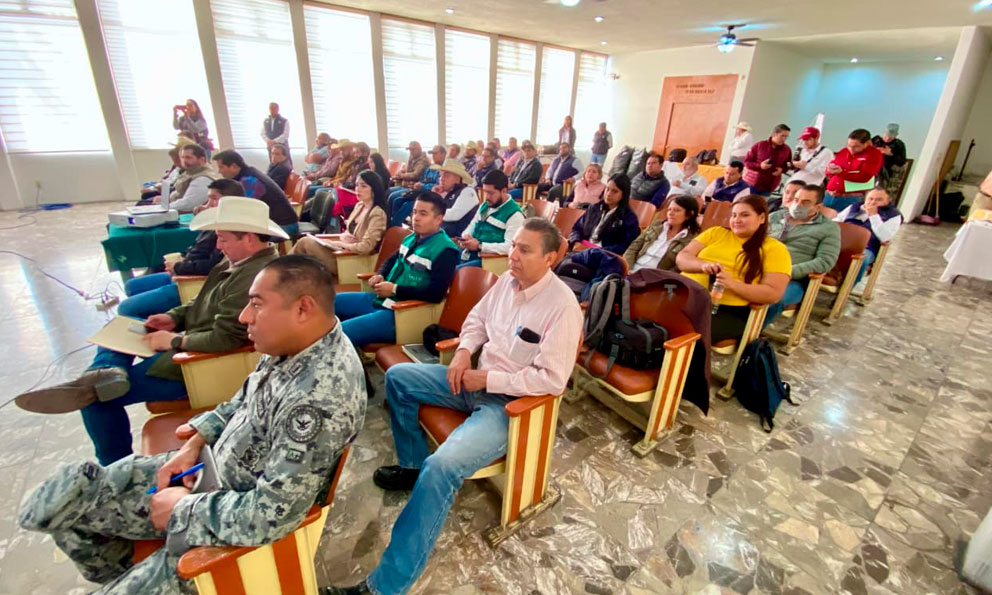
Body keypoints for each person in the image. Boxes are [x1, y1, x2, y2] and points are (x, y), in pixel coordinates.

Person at [18, 255, 366, 595]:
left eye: (257, 304)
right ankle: (123, 569)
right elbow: (242, 401)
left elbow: (272, 514)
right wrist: (193, 444)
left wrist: (182, 510)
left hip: (228, 522)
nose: (244, 316)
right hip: (205, 473)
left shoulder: (319, 400)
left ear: (303, 309)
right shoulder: (293, 343)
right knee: (69, 501)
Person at [322, 218, 582, 595]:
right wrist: (462, 352)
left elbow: (552, 380)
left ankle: (385, 586)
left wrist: (488, 380)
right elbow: (477, 321)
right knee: (399, 378)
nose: (513, 255)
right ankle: (412, 465)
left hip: (509, 404)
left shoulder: (562, 307)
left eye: (525, 250)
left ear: (551, 258)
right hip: (472, 380)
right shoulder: (507, 283)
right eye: (513, 245)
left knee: (442, 466)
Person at [15, 197, 286, 464]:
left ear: (249, 238)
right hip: (189, 343)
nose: (218, 245)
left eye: (223, 238)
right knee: (123, 326)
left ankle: (115, 469)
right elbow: (200, 300)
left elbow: (226, 338)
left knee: (96, 400)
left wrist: (174, 341)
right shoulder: (236, 261)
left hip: (197, 367)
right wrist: (172, 318)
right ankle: (107, 371)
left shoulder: (255, 276)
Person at [334, 192, 458, 347]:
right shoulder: (411, 238)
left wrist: (394, 289)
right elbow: (391, 260)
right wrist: (380, 274)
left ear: (438, 219)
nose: (415, 218)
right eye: (414, 212)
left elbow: (435, 294)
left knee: (340, 333)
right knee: (328, 302)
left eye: (423, 214)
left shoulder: (445, 250)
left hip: (402, 314)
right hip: (383, 300)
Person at [119, 179, 245, 319]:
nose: (208, 205)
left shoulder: (231, 231)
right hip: (185, 270)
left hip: (192, 282)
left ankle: (155, 326)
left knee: (125, 309)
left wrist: (178, 267)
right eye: (208, 199)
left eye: (214, 199)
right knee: (131, 286)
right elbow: (199, 250)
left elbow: (211, 266)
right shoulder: (213, 221)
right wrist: (182, 261)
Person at [677, 195, 791, 343]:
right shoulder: (716, 233)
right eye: (734, 215)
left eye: (745, 215)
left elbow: (773, 293)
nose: (737, 220)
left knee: (678, 331)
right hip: (685, 296)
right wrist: (703, 265)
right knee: (654, 318)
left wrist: (732, 284)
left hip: (725, 310)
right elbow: (682, 258)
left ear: (762, 218)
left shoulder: (775, 249)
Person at [764, 184, 841, 324]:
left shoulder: (829, 228)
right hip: (758, 268)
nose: (798, 205)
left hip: (793, 278)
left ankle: (749, 333)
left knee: (772, 299)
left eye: (806, 202)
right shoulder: (775, 217)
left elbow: (825, 261)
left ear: (818, 207)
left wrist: (787, 272)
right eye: (796, 200)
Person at [292, 170, 389, 278]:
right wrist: (343, 237)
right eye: (357, 185)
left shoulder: (377, 213)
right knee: (305, 250)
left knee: (305, 242)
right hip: (344, 252)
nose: (358, 189)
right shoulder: (360, 205)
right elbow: (348, 232)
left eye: (363, 186)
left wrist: (341, 244)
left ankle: (282, 271)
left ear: (374, 189)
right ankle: (288, 275)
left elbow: (366, 247)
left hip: (354, 260)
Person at [213, 149, 300, 235]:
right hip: (276, 223)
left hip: (283, 227)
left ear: (233, 166)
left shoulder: (249, 181)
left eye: (221, 167)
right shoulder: (248, 174)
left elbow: (246, 211)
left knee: (232, 236)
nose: (219, 171)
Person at [833, 187, 902, 286]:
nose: (873, 202)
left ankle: (846, 288)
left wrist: (873, 215)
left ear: (888, 201)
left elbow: (885, 237)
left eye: (879, 200)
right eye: (870, 199)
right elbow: (837, 220)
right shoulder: (854, 207)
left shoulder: (894, 216)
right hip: (841, 241)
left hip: (867, 248)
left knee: (861, 260)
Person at [456, 170, 525, 268]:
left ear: (504, 191)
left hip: (489, 261)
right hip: (471, 252)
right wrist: (466, 236)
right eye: (485, 192)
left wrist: (480, 246)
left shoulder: (514, 214)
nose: (487, 197)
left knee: (453, 273)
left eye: (491, 193)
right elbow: (472, 224)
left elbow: (510, 247)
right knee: (443, 260)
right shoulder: (485, 205)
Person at [624, 195, 701, 273]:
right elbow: (634, 247)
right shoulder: (657, 225)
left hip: (655, 276)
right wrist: (627, 268)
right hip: (631, 269)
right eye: (669, 209)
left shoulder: (692, 239)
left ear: (690, 214)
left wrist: (660, 278)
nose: (670, 213)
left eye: (676, 210)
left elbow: (678, 268)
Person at [569, 173, 640, 255]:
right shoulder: (594, 208)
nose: (609, 194)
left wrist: (597, 251)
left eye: (615, 191)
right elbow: (577, 228)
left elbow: (623, 246)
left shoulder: (629, 219)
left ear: (623, 195)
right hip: (581, 249)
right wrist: (576, 242)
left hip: (603, 256)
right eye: (607, 189)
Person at [823, 129, 884, 212]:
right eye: (849, 145)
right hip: (829, 195)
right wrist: (830, 171)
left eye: (856, 146)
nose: (851, 149)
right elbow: (829, 170)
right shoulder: (844, 151)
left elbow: (865, 177)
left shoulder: (874, 154)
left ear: (867, 143)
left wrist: (842, 173)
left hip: (850, 198)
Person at [387, 146, 449, 227]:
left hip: (430, 196)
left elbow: (438, 185)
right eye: (432, 153)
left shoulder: (445, 169)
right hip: (420, 192)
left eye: (435, 153)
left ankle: (394, 226)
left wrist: (422, 186)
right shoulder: (430, 167)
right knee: (397, 200)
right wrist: (417, 184)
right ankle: (395, 225)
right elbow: (422, 179)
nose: (433, 156)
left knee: (408, 205)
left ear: (443, 154)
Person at [431, 159, 480, 237]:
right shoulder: (447, 193)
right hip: (442, 235)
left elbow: (454, 215)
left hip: (457, 239)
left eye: (446, 175)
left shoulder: (468, 191)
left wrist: (431, 213)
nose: (441, 179)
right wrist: (435, 196)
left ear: (457, 179)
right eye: (440, 175)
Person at [168, 143, 220, 213]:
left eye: (188, 157)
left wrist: (164, 207)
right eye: (182, 157)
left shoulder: (203, 178)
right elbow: (178, 193)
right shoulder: (189, 173)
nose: (184, 161)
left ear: (202, 160)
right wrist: (166, 200)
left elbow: (189, 204)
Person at [743, 124, 792, 196]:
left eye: (786, 136)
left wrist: (782, 170)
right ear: (774, 134)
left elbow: (788, 165)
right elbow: (746, 162)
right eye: (782, 136)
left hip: (769, 186)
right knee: (746, 202)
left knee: (762, 203)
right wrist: (760, 166)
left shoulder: (787, 150)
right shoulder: (759, 145)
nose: (784, 139)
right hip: (752, 183)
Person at [871, 123, 907, 194]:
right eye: (886, 136)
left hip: (884, 171)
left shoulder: (899, 144)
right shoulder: (875, 140)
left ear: (896, 135)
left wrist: (890, 154)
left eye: (890, 137)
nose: (887, 139)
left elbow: (902, 162)